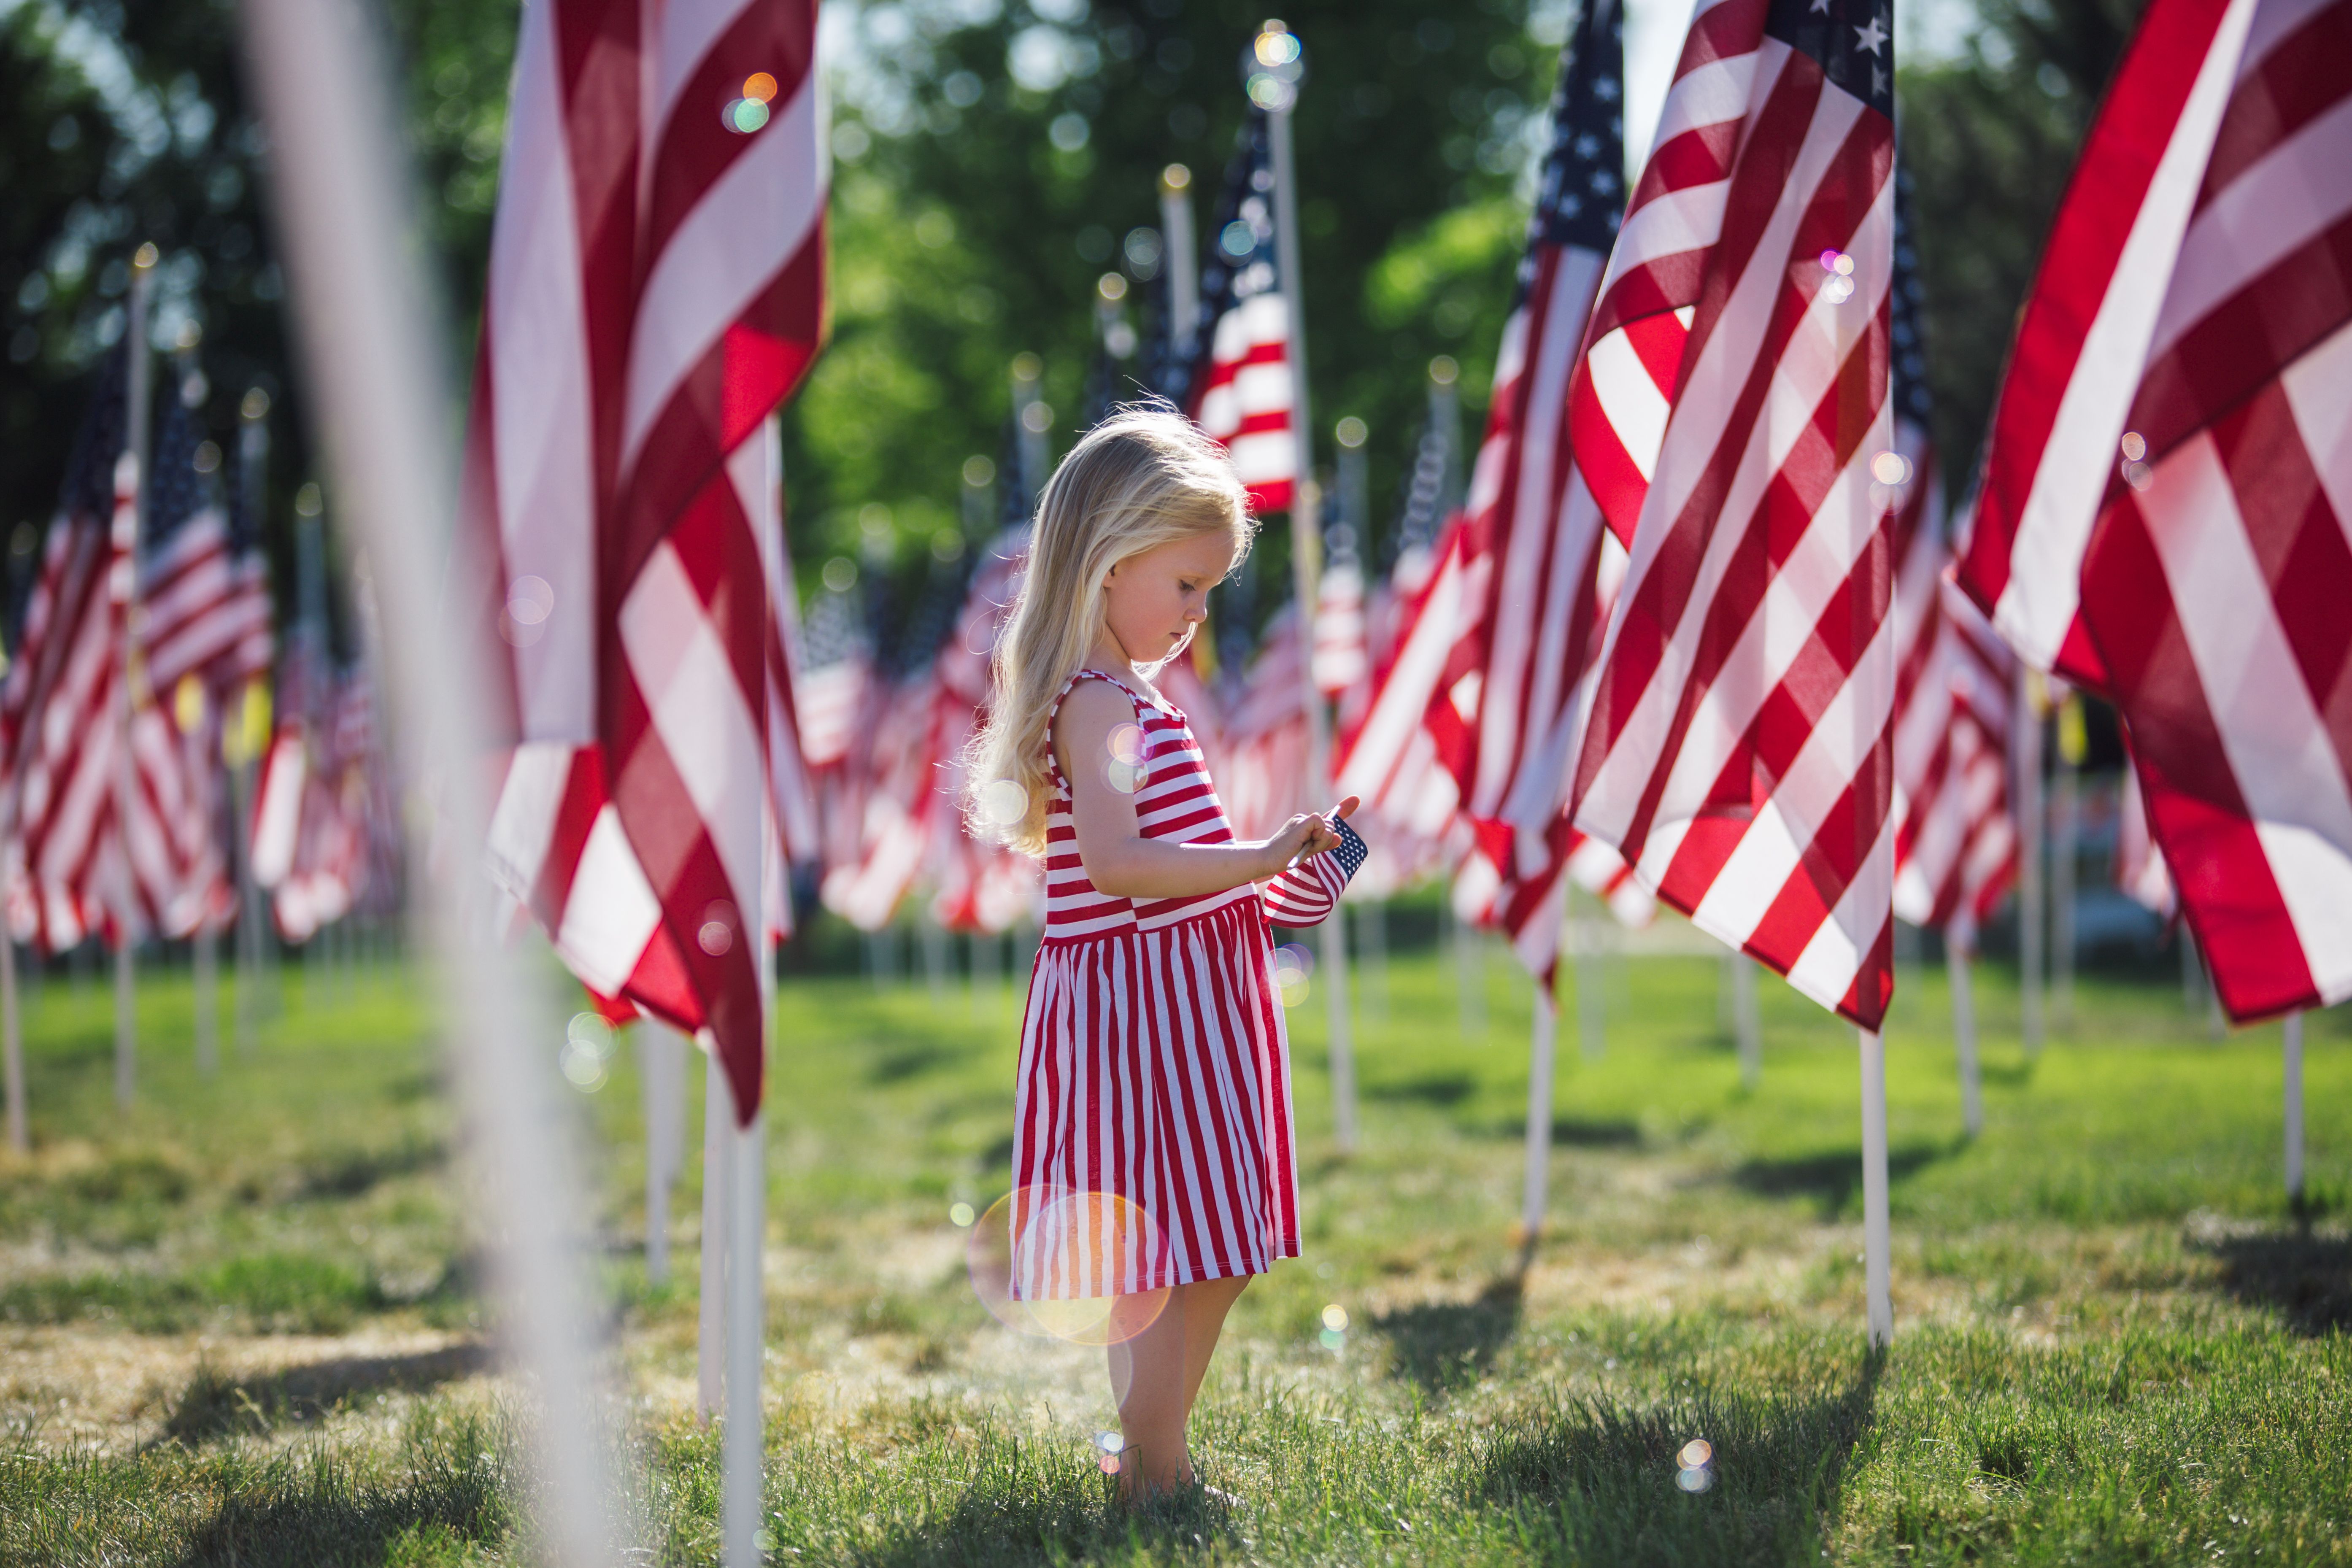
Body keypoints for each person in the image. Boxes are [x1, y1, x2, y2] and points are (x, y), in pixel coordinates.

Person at [964, 405, 1364, 1501]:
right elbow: (1124, 863)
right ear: (1107, 562)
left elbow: (1187, 876)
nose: (1196, 614)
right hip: (1140, 1023)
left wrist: (1304, 868)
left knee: (1205, 1248)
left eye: (1208, 591)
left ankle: (1157, 1465)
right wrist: (1257, 853)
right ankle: (1154, 1473)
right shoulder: (1099, 709)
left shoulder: (1139, 706)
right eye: (1184, 585)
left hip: (1185, 1005)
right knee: (1163, 1255)